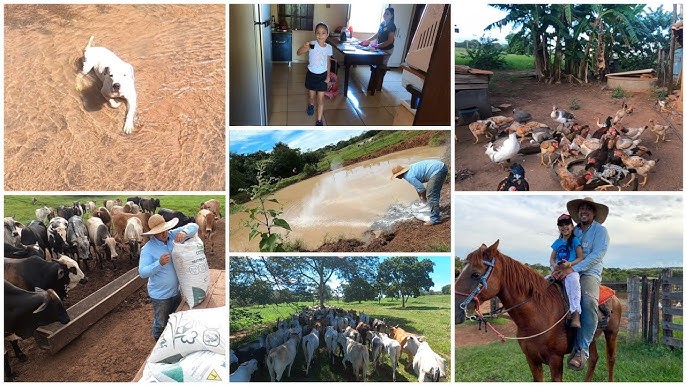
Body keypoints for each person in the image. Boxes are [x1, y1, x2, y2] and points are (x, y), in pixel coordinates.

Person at [552, 197, 609, 371]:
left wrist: (574, 269)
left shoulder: (600, 231)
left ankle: (581, 350)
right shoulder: (572, 231)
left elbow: (597, 255)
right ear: (577, 213)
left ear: (594, 213)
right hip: (567, 271)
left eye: (588, 209)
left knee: (589, 301)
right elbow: (559, 250)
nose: (584, 211)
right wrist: (556, 269)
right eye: (581, 208)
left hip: (589, 273)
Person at [138, 214, 199, 340]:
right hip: (160, 296)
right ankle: (158, 343)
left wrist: (184, 231)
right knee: (160, 323)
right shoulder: (147, 249)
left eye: (165, 230)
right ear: (153, 234)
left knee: (175, 318)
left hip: (176, 291)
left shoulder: (172, 235)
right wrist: (158, 263)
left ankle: (172, 340)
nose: (164, 233)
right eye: (160, 232)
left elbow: (194, 226)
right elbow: (143, 272)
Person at [549, 213, 584, 329]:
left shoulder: (575, 240)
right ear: (559, 228)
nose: (564, 227)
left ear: (572, 226)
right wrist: (554, 266)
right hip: (558, 270)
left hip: (570, 270)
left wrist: (570, 264)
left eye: (567, 224)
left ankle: (575, 313)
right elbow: (552, 258)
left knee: (574, 283)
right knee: (544, 282)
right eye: (561, 225)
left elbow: (580, 257)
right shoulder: (557, 242)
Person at [296, 22, 333, 126]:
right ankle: (311, 105)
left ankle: (319, 120)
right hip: (312, 75)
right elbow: (298, 53)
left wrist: (328, 76)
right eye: (318, 33)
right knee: (312, 97)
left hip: (322, 76)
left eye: (323, 33)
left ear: (327, 34)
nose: (320, 35)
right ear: (315, 33)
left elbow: (328, 62)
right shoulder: (312, 44)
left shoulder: (329, 48)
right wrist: (303, 47)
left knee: (320, 100)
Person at [391, 159, 448, 226]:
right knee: (433, 192)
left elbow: (422, 189)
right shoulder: (410, 170)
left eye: (397, 176)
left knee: (431, 194)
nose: (397, 177)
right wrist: (421, 198)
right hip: (440, 167)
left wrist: (424, 200)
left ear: (399, 174)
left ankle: (435, 219)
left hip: (437, 170)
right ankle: (435, 210)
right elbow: (417, 187)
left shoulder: (409, 176)